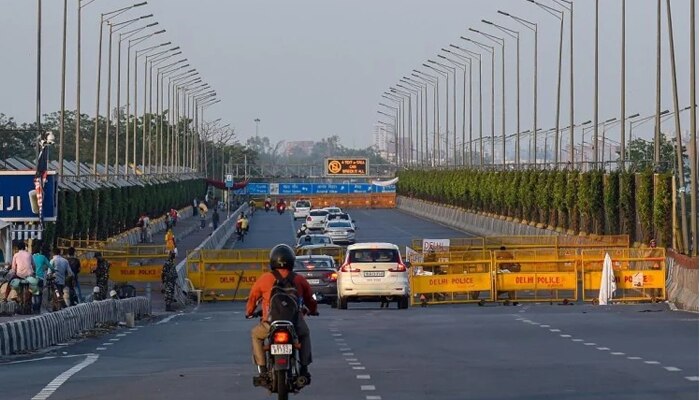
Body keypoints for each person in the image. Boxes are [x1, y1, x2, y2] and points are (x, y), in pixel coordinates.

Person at [246, 244, 318, 386]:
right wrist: (313, 310)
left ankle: (263, 370)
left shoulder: (265, 278)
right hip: (294, 323)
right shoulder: (299, 279)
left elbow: (252, 298)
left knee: (255, 335)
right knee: (304, 334)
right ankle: (304, 369)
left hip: (270, 323)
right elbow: (310, 299)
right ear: (291, 261)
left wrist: (249, 312)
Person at [31, 242, 49, 313]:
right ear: (40, 251)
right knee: (40, 293)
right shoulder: (43, 257)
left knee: (33, 293)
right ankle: (38, 308)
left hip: (33, 278)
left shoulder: (31, 257)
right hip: (40, 278)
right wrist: (44, 268)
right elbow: (49, 266)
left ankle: (34, 307)